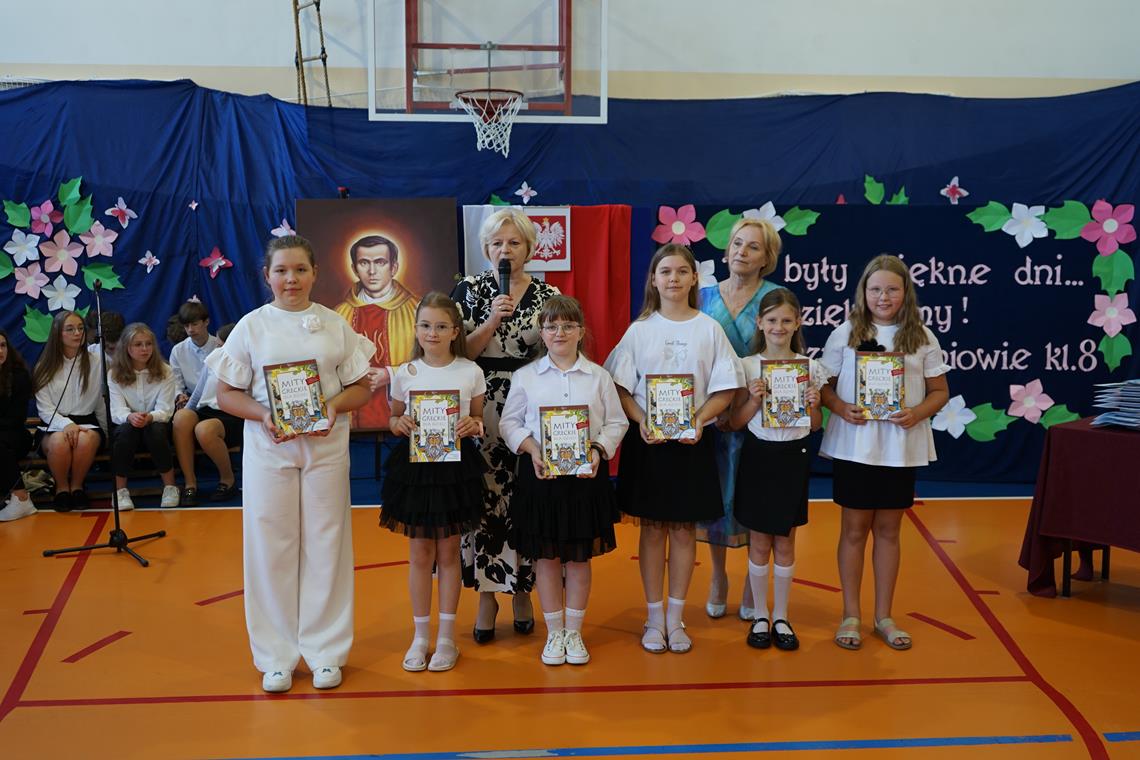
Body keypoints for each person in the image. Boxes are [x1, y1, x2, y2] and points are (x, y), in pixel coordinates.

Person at [209, 234, 373, 693]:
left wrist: (332, 408)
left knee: (327, 544)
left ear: (315, 273)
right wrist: (264, 416)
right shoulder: (251, 327)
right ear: (267, 276)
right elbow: (226, 394)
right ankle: (276, 657)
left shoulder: (335, 325)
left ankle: (326, 652)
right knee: (270, 546)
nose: (291, 279)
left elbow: (361, 387)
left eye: (300, 269)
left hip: (326, 448)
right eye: (281, 270)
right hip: (270, 450)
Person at [604, 244, 744, 654]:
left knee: (683, 531)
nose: (673, 279)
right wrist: (640, 419)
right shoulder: (639, 330)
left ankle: (675, 618)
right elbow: (620, 388)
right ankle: (653, 617)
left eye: (682, 271)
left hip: (691, 443)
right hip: (649, 444)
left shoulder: (709, 329)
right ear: (653, 279)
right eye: (665, 271)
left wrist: (699, 419)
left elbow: (726, 388)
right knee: (652, 531)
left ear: (694, 278)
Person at [820, 254, 949, 652]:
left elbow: (940, 391)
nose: (883, 296)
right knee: (854, 530)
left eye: (892, 289)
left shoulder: (922, 337)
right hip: (855, 446)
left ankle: (884, 617)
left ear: (906, 293)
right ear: (863, 292)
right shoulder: (845, 333)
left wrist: (917, 413)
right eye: (875, 289)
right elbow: (823, 385)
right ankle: (850, 615)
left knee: (890, 531)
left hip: (898, 448)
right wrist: (840, 407)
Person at [451, 208, 560, 643]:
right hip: (481, 404)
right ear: (485, 249)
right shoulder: (469, 290)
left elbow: (557, 353)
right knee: (486, 499)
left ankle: (523, 591)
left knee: (527, 496)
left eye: (514, 243)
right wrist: (493, 320)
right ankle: (487, 595)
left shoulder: (549, 294)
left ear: (530, 248)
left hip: (531, 402)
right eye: (497, 243)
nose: (505, 250)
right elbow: (456, 353)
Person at [500, 295, 628, 667]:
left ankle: (574, 631)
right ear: (542, 332)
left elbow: (616, 422)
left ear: (581, 331)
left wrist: (598, 449)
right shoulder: (526, 377)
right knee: (547, 558)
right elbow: (509, 423)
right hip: (541, 478)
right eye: (552, 326)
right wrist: (531, 448)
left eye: (568, 326)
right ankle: (554, 632)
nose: (560, 332)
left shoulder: (599, 377)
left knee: (579, 559)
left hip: (585, 480)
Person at [380, 292, 486, 673]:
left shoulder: (470, 371)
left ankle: (446, 638)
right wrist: (400, 424)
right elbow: (393, 419)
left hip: (454, 470)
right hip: (417, 471)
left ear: (455, 331)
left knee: (449, 553)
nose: (433, 333)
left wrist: (473, 425)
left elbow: (479, 421)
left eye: (441, 326)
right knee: (420, 554)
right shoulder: (405, 373)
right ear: (416, 329)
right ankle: (420, 636)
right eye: (425, 325)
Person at [727, 288, 824, 651]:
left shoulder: (809, 367)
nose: (778, 327)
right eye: (771, 320)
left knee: (785, 541)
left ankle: (781, 616)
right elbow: (735, 422)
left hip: (793, 456)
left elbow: (815, 424)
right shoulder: (748, 366)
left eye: (786, 320)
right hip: (758, 456)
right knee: (759, 541)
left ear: (798, 322)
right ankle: (760, 616)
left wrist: (813, 405)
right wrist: (754, 400)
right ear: (759, 323)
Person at [698, 218, 783, 621]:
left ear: (767, 257)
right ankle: (718, 577)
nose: (742, 252)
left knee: (755, 497)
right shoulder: (702, 296)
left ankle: (753, 580)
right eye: (737, 243)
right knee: (716, 498)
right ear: (726, 249)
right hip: (712, 413)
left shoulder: (776, 298)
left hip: (759, 413)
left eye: (753, 247)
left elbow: (786, 354)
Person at [333, 234, 421, 428]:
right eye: (364, 263)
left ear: (394, 268)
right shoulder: (339, 314)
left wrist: (390, 374)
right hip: (351, 421)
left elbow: (433, 362)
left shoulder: (417, 311)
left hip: (404, 421)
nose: (372, 271)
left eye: (380, 262)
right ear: (354, 269)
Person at [32, 311, 106, 511]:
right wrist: (66, 424)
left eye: (81, 328)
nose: (77, 333)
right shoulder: (44, 366)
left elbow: (100, 402)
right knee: (59, 442)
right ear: (58, 333)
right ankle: (61, 488)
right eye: (70, 329)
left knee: (85, 440)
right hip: (52, 425)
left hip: (87, 422)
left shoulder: (96, 362)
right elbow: (45, 409)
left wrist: (108, 433)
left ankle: (77, 487)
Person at [108, 323, 180, 510]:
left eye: (148, 344)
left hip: (156, 422)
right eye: (138, 344)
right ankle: (120, 491)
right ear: (127, 348)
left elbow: (165, 409)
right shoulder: (114, 374)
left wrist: (149, 417)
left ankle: (170, 487)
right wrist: (131, 417)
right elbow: (117, 411)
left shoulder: (165, 371)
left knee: (155, 431)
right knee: (125, 432)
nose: (145, 349)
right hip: (128, 425)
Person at [172, 323, 240, 506]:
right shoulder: (213, 359)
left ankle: (228, 479)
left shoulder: (248, 363)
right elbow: (197, 394)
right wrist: (186, 410)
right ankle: (190, 483)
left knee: (204, 429)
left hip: (233, 415)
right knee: (182, 417)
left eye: (220, 345)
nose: (217, 349)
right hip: (207, 409)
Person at [0, 329, 36, 522]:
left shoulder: (19, 376)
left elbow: (15, 419)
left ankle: (21, 498)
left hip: (16, 436)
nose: (0, 351)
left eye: (2, 346)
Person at [170, 301, 221, 409]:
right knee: (181, 416)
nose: (190, 330)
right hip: (191, 402)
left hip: (217, 402)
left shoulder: (220, 347)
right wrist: (179, 395)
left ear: (206, 322)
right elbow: (176, 382)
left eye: (194, 324)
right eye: (186, 326)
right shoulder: (178, 351)